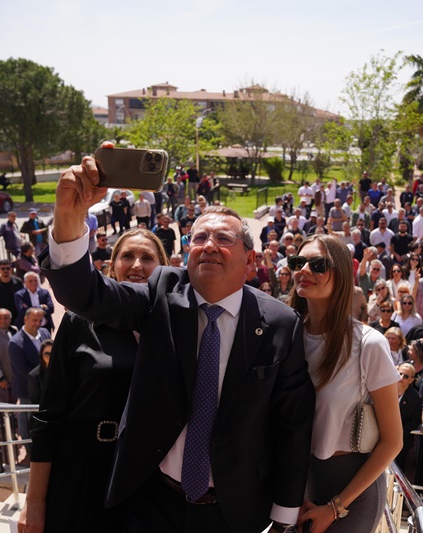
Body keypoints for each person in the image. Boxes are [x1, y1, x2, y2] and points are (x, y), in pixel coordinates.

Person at [45, 153, 314, 533]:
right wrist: (69, 217)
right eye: (198, 237)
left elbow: (292, 424)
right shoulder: (159, 294)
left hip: (233, 512)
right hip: (152, 501)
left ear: (250, 261)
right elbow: (84, 293)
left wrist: (284, 517)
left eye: (223, 238)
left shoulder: (279, 324)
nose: (208, 244)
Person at [21, 231, 171, 532]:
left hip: (151, 477)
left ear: (164, 269)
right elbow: (49, 416)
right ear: (112, 265)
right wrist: (34, 501)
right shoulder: (79, 321)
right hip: (84, 468)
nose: (137, 265)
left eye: (147, 258)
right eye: (127, 256)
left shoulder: (176, 326)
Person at [289, 234, 401, 533]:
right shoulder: (286, 337)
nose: (305, 270)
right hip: (300, 482)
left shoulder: (369, 344)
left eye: (318, 264)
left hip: (354, 491)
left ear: (340, 275)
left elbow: (393, 441)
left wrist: (336, 507)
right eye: (298, 262)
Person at [9, 307, 51, 453]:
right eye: (34, 320)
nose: (37, 323)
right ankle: (28, 447)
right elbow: (23, 370)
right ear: (25, 319)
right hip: (27, 389)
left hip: (44, 386)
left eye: (40, 320)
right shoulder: (15, 342)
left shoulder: (45, 333)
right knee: (26, 419)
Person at [395, 363, 422, 472]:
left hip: (402, 440)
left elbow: (415, 420)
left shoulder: (415, 397)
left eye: (405, 376)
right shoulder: (386, 390)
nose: (401, 378)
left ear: (411, 380)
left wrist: (400, 432)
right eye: (399, 374)